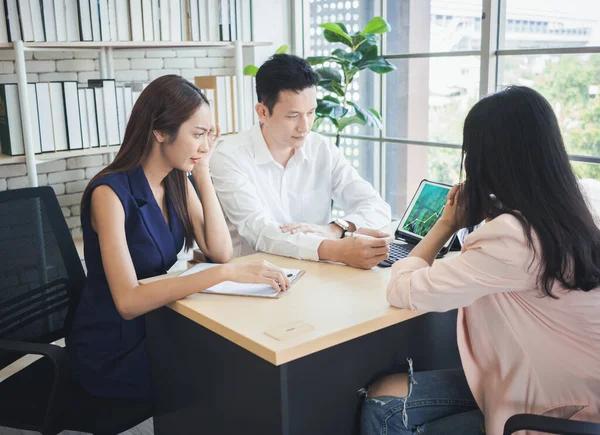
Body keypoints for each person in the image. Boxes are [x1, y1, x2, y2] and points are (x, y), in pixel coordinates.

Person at [360, 86, 600, 434]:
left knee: (384, 404)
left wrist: (445, 224)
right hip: (581, 395)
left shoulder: (511, 236)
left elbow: (402, 290)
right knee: (391, 392)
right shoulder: (579, 206)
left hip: (545, 412)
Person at [67, 75, 290, 399]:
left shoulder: (175, 180)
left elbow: (219, 250)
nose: (204, 145)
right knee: (229, 371)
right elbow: (128, 302)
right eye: (198, 134)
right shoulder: (109, 193)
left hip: (156, 323)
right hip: (113, 346)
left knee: (242, 355)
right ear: (160, 131)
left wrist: (201, 171)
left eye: (208, 135)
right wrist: (223, 275)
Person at [210, 54, 392, 270]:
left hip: (320, 273)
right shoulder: (229, 156)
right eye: (293, 115)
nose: (305, 126)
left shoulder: (321, 148)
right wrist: (337, 250)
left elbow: (376, 206)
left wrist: (335, 229)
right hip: (256, 280)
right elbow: (261, 232)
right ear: (263, 112)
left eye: (311, 112)